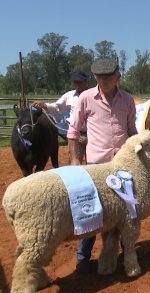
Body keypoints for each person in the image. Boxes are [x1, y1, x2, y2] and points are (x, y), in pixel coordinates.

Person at [67, 58, 138, 273]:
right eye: (100, 77)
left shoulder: (127, 100)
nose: (104, 81)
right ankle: (83, 257)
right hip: (97, 168)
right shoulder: (86, 98)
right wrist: (75, 159)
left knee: (127, 210)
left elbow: (132, 132)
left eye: (108, 77)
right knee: (92, 211)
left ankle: (127, 249)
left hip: (123, 167)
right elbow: (73, 131)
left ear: (117, 77)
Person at [32, 70, 89, 162]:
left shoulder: (94, 95)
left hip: (92, 134)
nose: (77, 84)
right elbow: (57, 107)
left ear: (85, 81)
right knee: (74, 162)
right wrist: (44, 105)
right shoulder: (69, 95)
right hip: (76, 135)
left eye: (79, 82)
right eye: (75, 82)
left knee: (93, 162)